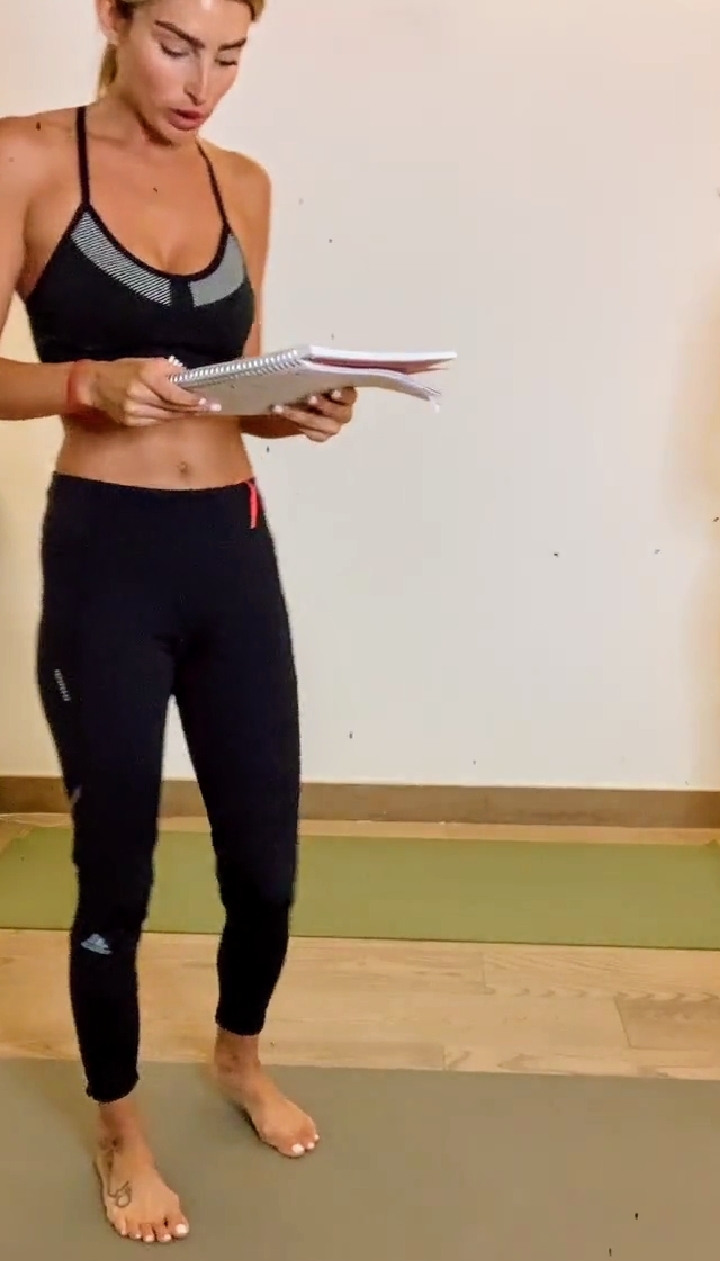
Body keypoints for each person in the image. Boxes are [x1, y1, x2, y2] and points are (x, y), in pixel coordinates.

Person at [0, 0, 357, 1244]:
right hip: (108, 555)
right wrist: (83, 383)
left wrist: (293, 408)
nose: (203, 81)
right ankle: (119, 1122)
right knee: (117, 868)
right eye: (175, 45)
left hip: (231, 551)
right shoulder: (26, 159)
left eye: (231, 55)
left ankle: (238, 1054)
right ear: (112, 16)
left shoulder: (242, 183)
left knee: (267, 861)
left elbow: (230, 385)